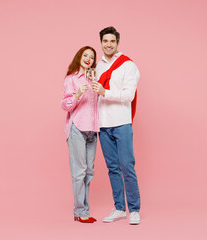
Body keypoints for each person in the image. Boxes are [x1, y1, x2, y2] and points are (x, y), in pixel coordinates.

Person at [92, 27, 141, 225]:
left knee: (127, 166)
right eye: (105, 41)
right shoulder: (97, 66)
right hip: (103, 125)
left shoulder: (128, 66)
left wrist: (105, 92)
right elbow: (94, 95)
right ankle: (119, 208)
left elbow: (128, 96)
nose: (109, 44)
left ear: (117, 43)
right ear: (101, 43)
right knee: (112, 168)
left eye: (112, 41)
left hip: (121, 123)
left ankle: (134, 209)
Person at [61, 46, 99, 223]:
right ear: (79, 57)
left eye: (91, 57)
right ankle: (80, 211)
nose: (88, 59)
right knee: (79, 172)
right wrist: (77, 94)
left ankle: (84, 209)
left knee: (89, 172)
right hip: (77, 128)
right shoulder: (71, 79)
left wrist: (98, 86)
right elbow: (65, 106)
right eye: (85, 55)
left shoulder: (94, 80)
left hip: (93, 130)